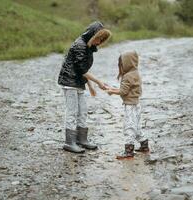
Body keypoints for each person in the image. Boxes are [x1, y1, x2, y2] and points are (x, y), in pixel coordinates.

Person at [58, 21, 111, 153]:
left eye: (102, 40)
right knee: (72, 111)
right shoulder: (80, 46)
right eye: (99, 38)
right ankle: (69, 142)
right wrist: (98, 82)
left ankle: (81, 139)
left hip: (78, 83)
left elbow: (83, 69)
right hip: (69, 82)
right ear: (92, 35)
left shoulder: (88, 47)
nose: (99, 42)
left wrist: (91, 86)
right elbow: (82, 69)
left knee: (83, 111)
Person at [107, 51, 149, 159]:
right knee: (137, 126)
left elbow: (123, 92)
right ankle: (144, 145)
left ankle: (129, 151)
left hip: (130, 106)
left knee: (129, 127)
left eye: (122, 64)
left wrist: (112, 92)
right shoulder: (136, 73)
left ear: (127, 63)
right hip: (137, 104)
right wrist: (113, 89)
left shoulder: (127, 76)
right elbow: (128, 90)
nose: (121, 67)